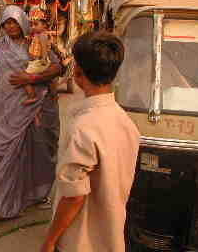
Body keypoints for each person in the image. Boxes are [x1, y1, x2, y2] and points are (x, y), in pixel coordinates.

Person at [40, 31, 140, 252]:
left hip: (81, 242)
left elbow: (74, 196)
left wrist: (50, 240)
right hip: (111, 235)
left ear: (77, 72)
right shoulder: (126, 123)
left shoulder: (84, 128)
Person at [0, 5, 62, 220]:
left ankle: (37, 194)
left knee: (39, 151)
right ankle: (1, 205)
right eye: (6, 22)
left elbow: (55, 67)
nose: (10, 26)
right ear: (1, 26)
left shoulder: (34, 42)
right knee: (6, 156)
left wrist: (31, 78)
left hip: (37, 107)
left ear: (23, 23)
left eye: (14, 22)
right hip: (8, 110)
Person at [23, 7, 52, 106]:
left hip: (39, 61)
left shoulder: (42, 35)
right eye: (32, 25)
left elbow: (44, 48)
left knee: (24, 78)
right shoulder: (36, 34)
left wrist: (43, 59)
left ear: (44, 25)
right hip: (36, 61)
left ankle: (32, 96)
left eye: (36, 24)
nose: (33, 27)